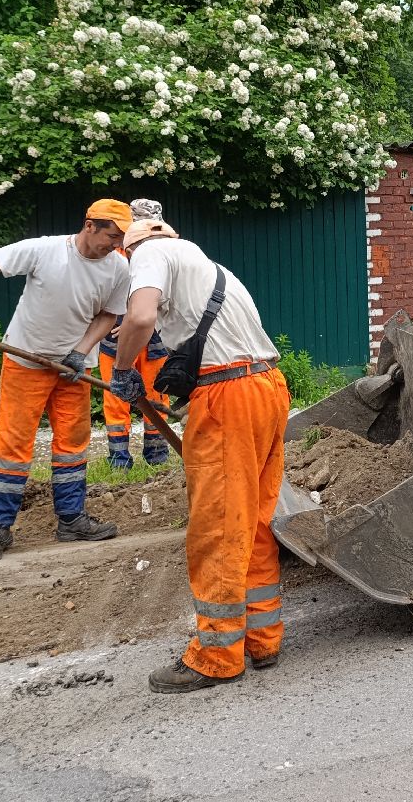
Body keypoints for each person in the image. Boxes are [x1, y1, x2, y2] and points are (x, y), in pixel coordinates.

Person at [111, 217, 288, 694]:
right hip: (266, 386)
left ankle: (215, 656)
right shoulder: (209, 266)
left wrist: (124, 368)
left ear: (135, 247)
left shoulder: (148, 253)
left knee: (216, 527)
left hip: (228, 396)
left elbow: (142, 316)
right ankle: (261, 638)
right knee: (252, 519)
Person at [0, 200, 131, 564]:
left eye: (120, 239)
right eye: (110, 237)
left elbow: (110, 313)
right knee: (13, 446)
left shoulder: (118, 268)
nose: (114, 245)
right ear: (89, 225)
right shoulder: (43, 250)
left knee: (73, 444)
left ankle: (71, 520)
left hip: (74, 370)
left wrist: (80, 352)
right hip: (25, 362)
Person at [98, 198, 172, 468]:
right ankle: (119, 460)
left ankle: (157, 457)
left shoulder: (167, 253)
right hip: (114, 340)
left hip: (154, 342)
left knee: (156, 396)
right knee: (116, 399)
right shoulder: (112, 254)